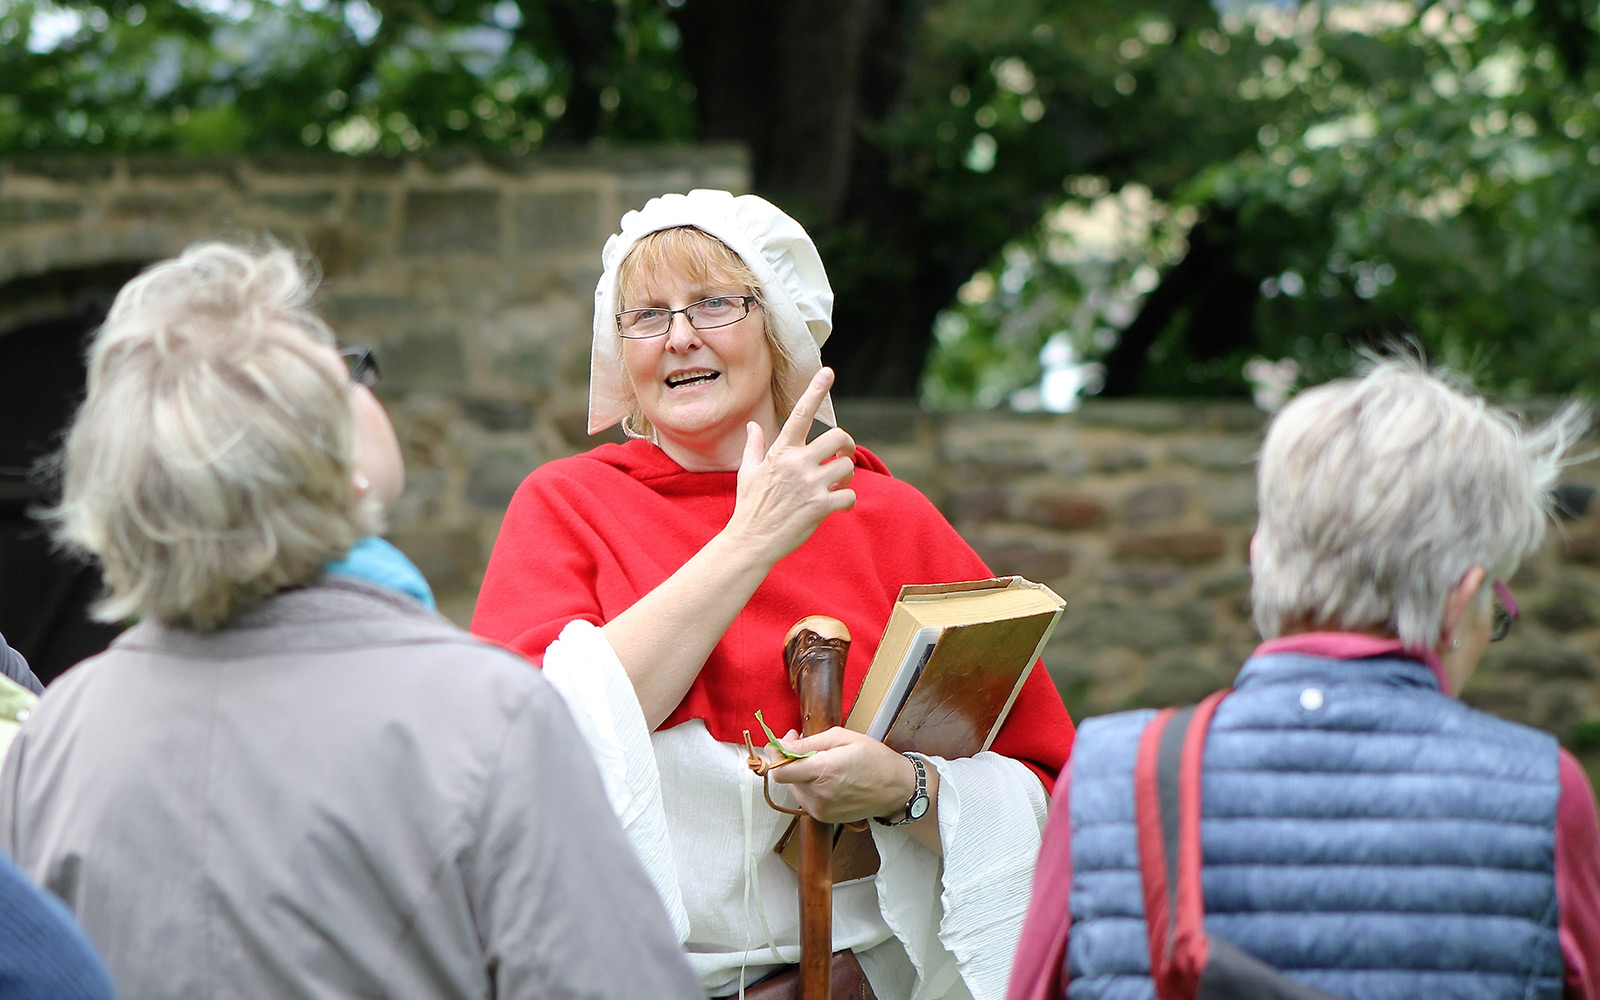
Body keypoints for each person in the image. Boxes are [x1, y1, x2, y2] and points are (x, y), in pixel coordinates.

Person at [0, 241, 703, 1000]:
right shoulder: (486, 716)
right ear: (331, 457)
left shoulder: (55, 735)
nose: (365, 384)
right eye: (344, 371)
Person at [472, 189, 1077, 999]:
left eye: (714, 304)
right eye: (646, 316)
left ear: (777, 326)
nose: (679, 337)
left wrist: (903, 790)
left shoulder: (888, 517)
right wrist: (751, 539)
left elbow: (1045, 792)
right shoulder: (566, 507)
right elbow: (534, 745)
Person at [1009, 359, 1600, 1000]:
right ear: (1462, 602)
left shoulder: (1109, 775)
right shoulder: (1545, 792)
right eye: (1497, 608)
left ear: (1259, 561)